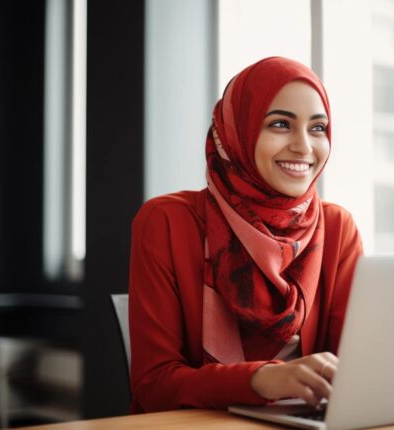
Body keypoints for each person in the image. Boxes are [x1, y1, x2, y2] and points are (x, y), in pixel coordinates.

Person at [128, 56, 363, 412]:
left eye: (318, 128)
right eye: (281, 124)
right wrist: (263, 379)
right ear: (237, 131)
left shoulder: (337, 228)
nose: (304, 146)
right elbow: (153, 386)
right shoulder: (166, 222)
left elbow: (359, 371)